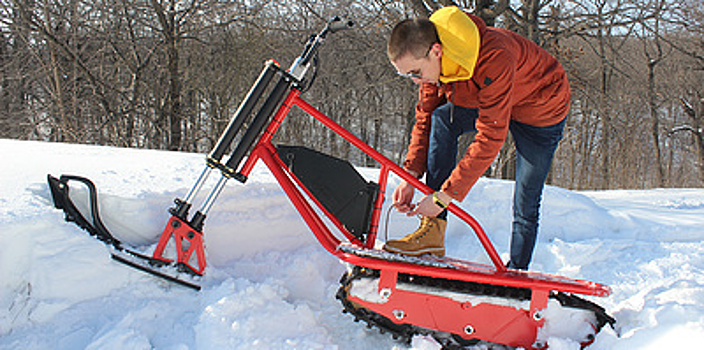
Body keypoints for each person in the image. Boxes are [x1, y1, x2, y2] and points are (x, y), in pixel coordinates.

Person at [382, 6, 570, 270]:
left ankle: (517, 270)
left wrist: (443, 196)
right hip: (491, 99)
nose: (415, 80)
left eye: (415, 72)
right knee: (440, 120)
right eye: (406, 76)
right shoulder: (433, 65)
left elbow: (491, 135)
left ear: (436, 51)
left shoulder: (494, 55)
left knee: (526, 198)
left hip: (540, 106)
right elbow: (425, 117)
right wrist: (410, 176)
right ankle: (432, 233)